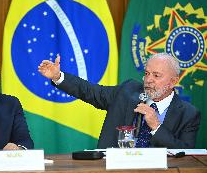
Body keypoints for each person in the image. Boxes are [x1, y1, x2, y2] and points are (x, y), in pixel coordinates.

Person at [38, 53, 200, 149]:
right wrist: (58, 77)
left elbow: (185, 153)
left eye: (156, 76)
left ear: (173, 81)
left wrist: (156, 127)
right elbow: (90, 91)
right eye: (147, 73)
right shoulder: (128, 91)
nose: (148, 80)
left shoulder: (188, 114)